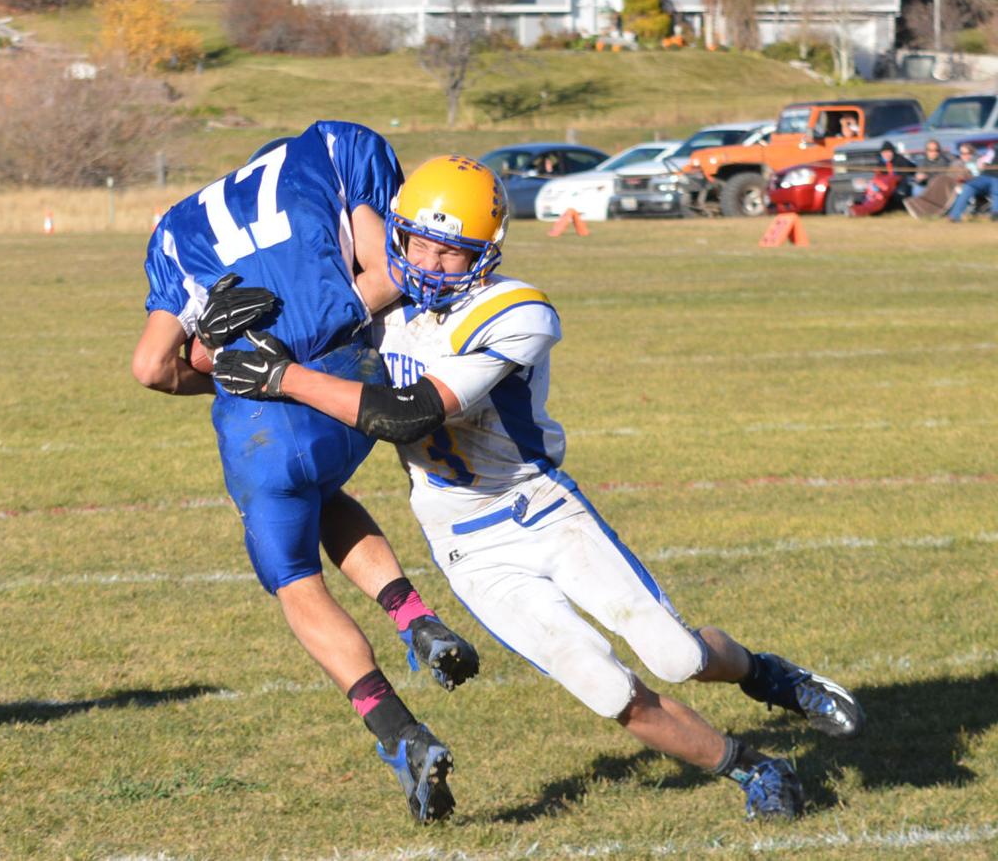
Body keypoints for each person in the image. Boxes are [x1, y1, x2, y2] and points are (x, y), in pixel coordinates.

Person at [212, 155, 866, 822]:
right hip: (464, 544)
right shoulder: (377, 308)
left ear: (485, 257)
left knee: (677, 656)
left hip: (539, 510)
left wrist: (283, 377)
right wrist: (219, 329)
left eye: (453, 253)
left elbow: (409, 413)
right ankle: (752, 768)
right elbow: (252, 334)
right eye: (421, 245)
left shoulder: (515, 310)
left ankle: (768, 675)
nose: (431, 265)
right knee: (604, 687)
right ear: (398, 235)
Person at [131, 123, 480, 823]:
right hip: (346, 393)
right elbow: (391, 271)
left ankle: (401, 736)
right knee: (325, 491)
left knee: (295, 582)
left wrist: (236, 375)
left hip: (257, 431)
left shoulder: (174, 225)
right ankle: (418, 621)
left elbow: (150, 367)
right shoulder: (332, 147)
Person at [947, 143, 998, 222]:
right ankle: (954, 216)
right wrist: (982, 164)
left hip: (996, 179)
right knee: (969, 186)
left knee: (996, 189)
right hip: (985, 176)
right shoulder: (995, 148)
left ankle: (996, 214)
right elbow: (984, 160)